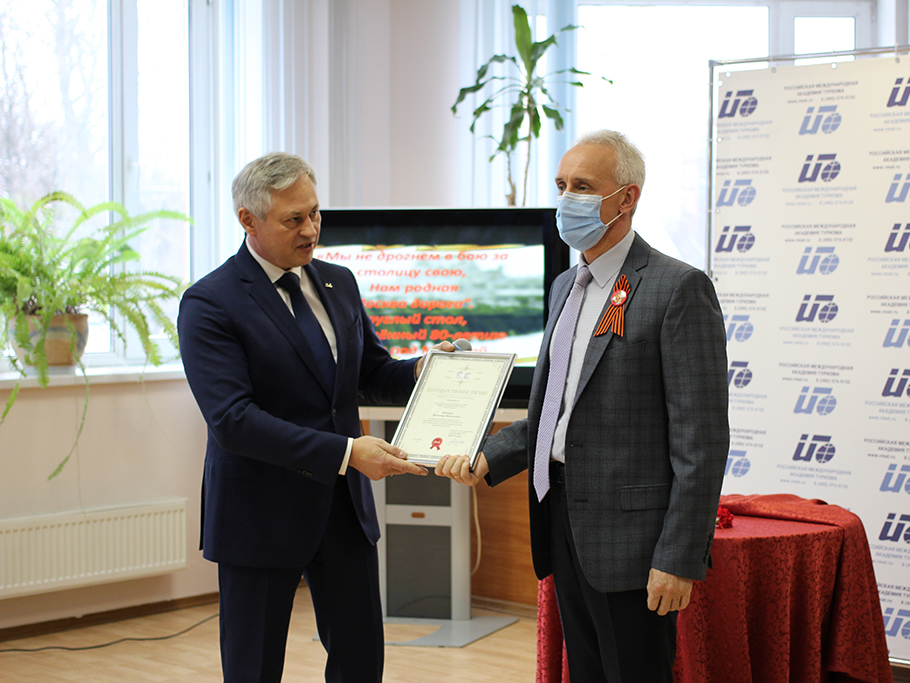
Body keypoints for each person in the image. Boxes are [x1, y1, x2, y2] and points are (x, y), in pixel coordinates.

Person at [435, 130, 730, 683]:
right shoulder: (565, 286)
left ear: (627, 198)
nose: (567, 199)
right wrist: (487, 455)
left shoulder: (677, 288)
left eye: (583, 186)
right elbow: (556, 410)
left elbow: (703, 442)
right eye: (561, 185)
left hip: (635, 543)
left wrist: (678, 557)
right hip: (562, 521)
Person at [178, 152, 441, 683]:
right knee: (253, 670)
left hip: (344, 511)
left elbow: (371, 373)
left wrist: (427, 368)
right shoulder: (210, 302)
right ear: (248, 220)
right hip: (260, 514)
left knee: (360, 663)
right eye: (293, 219)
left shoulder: (338, 281)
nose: (311, 229)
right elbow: (233, 420)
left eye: (315, 213)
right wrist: (346, 452)